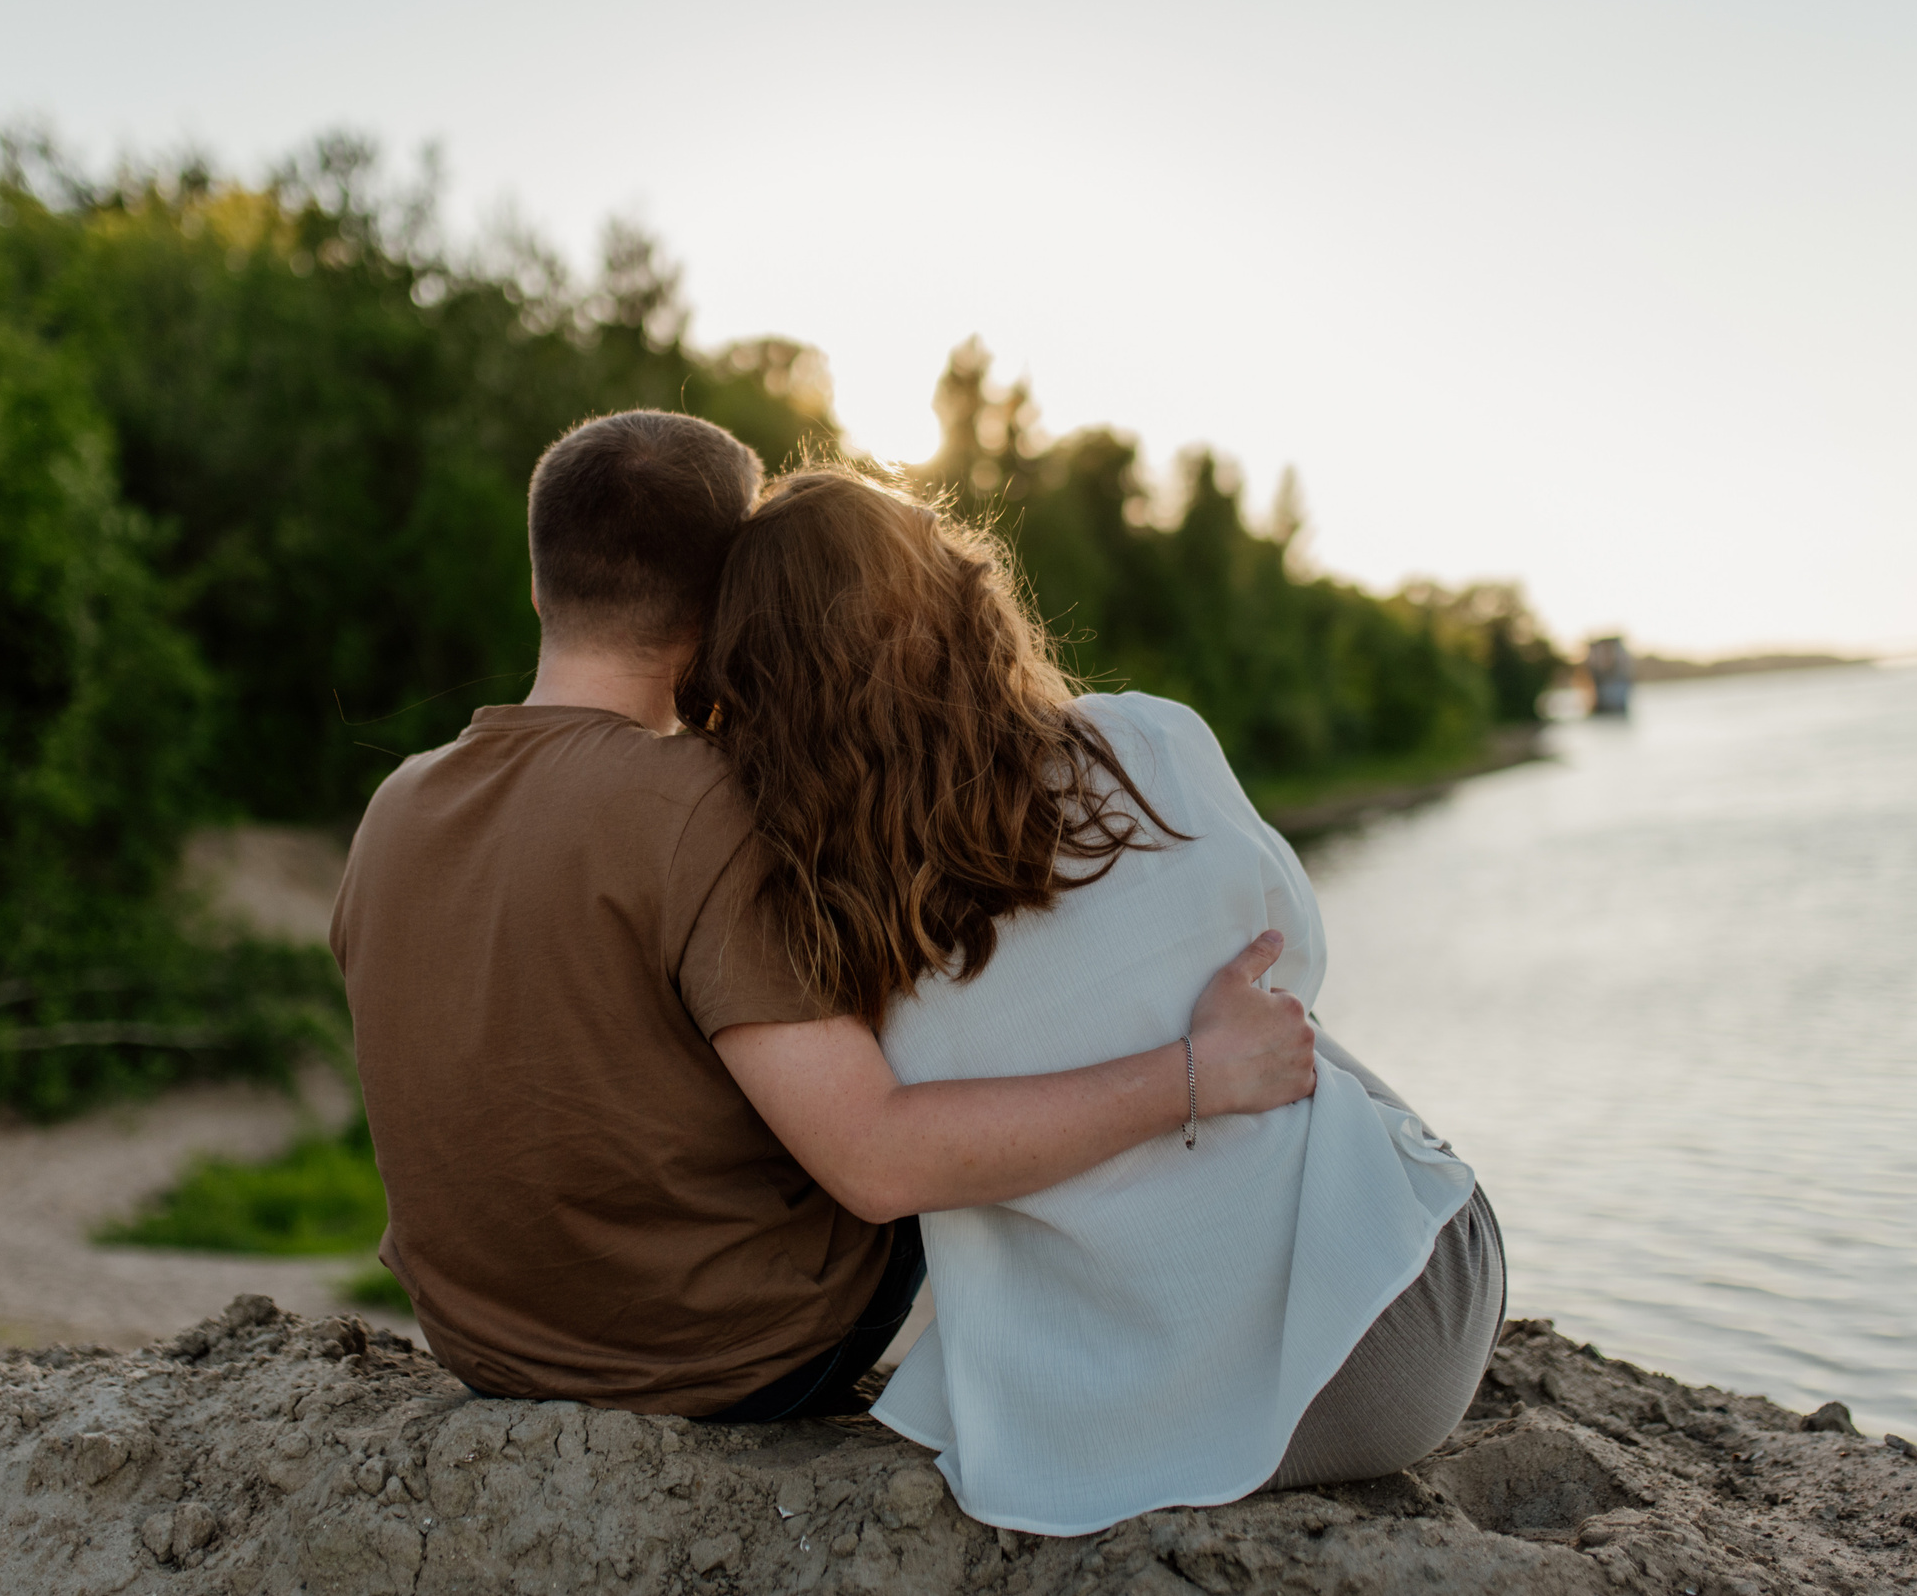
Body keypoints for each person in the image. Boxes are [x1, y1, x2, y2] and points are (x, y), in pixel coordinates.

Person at [330, 411, 1317, 1422]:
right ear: (728, 599)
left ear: (540, 585)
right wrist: (1195, 1072)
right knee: (967, 1045)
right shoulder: (706, 803)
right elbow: (878, 1164)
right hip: (722, 1363)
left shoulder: (396, 804)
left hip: (483, 1346)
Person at [681, 462, 1507, 1532]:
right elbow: (1295, 957)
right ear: (961, 606)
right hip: (1409, 1335)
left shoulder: (810, 916)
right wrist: (1192, 1052)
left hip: (1119, 1412)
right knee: (1260, 1002)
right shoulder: (1142, 739)